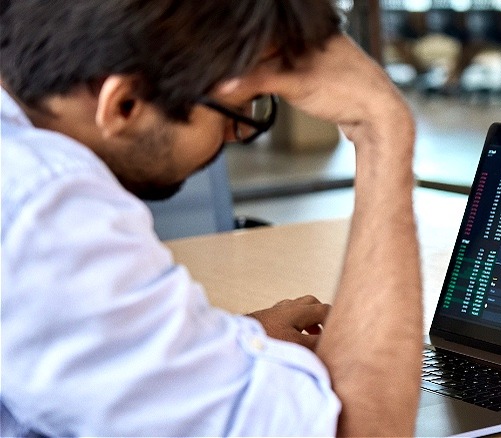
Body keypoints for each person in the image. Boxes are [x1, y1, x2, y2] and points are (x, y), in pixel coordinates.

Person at [0, 1, 422, 436]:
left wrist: (213, 346)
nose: (238, 134)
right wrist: (380, 125)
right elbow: (365, 430)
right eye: (238, 107)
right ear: (123, 105)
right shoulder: (49, 215)